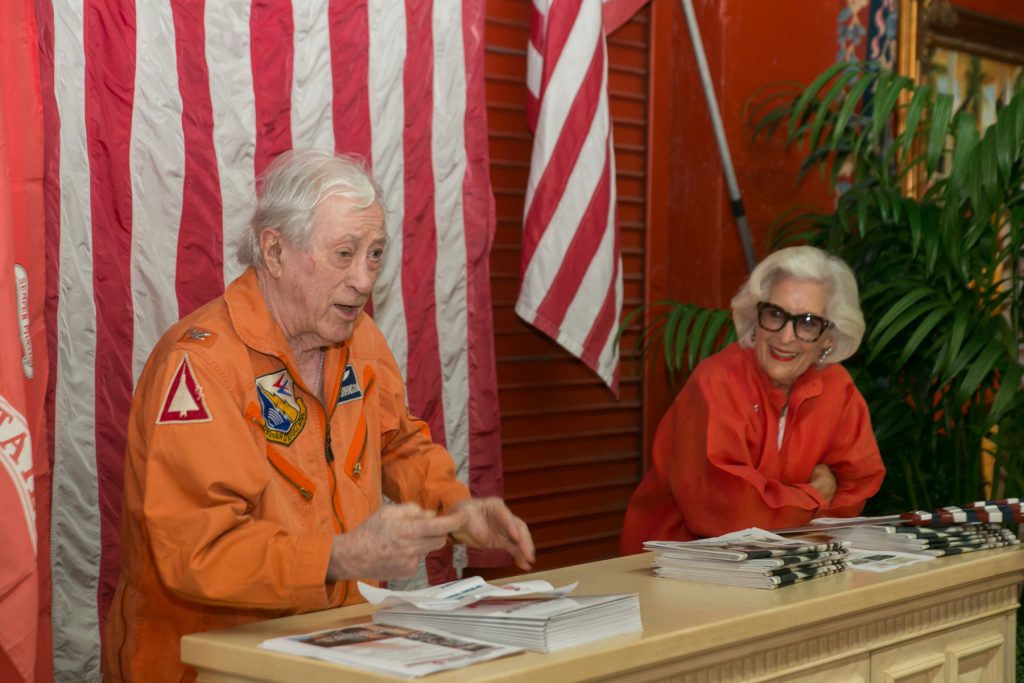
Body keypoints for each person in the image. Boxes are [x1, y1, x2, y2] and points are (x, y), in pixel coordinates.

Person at [104, 149, 534, 682]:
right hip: (208, 664)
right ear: (275, 251)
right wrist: (337, 557)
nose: (363, 280)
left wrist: (457, 507)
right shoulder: (202, 365)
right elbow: (198, 550)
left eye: (375, 254)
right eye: (344, 254)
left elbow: (397, 443)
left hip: (331, 651)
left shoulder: (358, 338)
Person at [620, 246, 885, 554]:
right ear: (754, 318)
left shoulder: (837, 388)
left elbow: (858, 484)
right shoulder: (717, 382)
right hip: (680, 568)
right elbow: (731, 514)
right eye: (775, 314)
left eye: (808, 322)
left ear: (829, 338)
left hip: (789, 560)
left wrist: (780, 508)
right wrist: (813, 495)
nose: (786, 337)